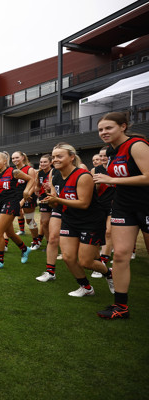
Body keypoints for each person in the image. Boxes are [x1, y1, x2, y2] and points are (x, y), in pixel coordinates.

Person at [93, 112, 149, 319]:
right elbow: (119, 177)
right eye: (100, 129)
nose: (104, 132)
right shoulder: (111, 151)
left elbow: (148, 177)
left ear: (123, 126)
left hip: (146, 205)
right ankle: (120, 307)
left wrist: (112, 180)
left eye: (108, 128)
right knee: (120, 254)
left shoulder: (137, 145)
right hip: (124, 206)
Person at [42, 143, 114, 298]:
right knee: (68, 257)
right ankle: (86, 287)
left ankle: (109, 273)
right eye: (53, 157)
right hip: (69, 219)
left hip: (91, 221)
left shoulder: (83, 175)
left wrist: (58, 200)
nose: (55, 159)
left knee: (86, 262)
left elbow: (84, 203)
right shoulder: (55, 175)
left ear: (72, 157)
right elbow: (55, 201)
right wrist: (50, 201)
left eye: (59, 156)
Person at [0, 152, 34, 269]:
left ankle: (0, 261)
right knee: (10, 233)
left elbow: (31, 179)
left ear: (4, 161)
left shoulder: (14, 172)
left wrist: (27, 191)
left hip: (11, 203)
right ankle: (24, 249)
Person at [90, 146, 116, 278]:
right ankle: (97, 260)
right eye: (100, 156)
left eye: (105, 155)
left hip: (114, 204)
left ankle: (104, 261)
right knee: (97, 232)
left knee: (108, 232)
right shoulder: (95, 170)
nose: (102, 158)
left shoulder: (115, 168)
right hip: (99, 204)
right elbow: (93, 189)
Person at [12, 151, 41, 249]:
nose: (15, 160)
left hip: (28, 197)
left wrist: (24, 199)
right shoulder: (13, 170)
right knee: (18, 215)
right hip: (17, 197)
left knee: (29, 220)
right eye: (13, 158)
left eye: (17, 157)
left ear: (23, 158)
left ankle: (36, 241)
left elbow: (33, 185)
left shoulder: (29, 169)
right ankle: (21, 230)